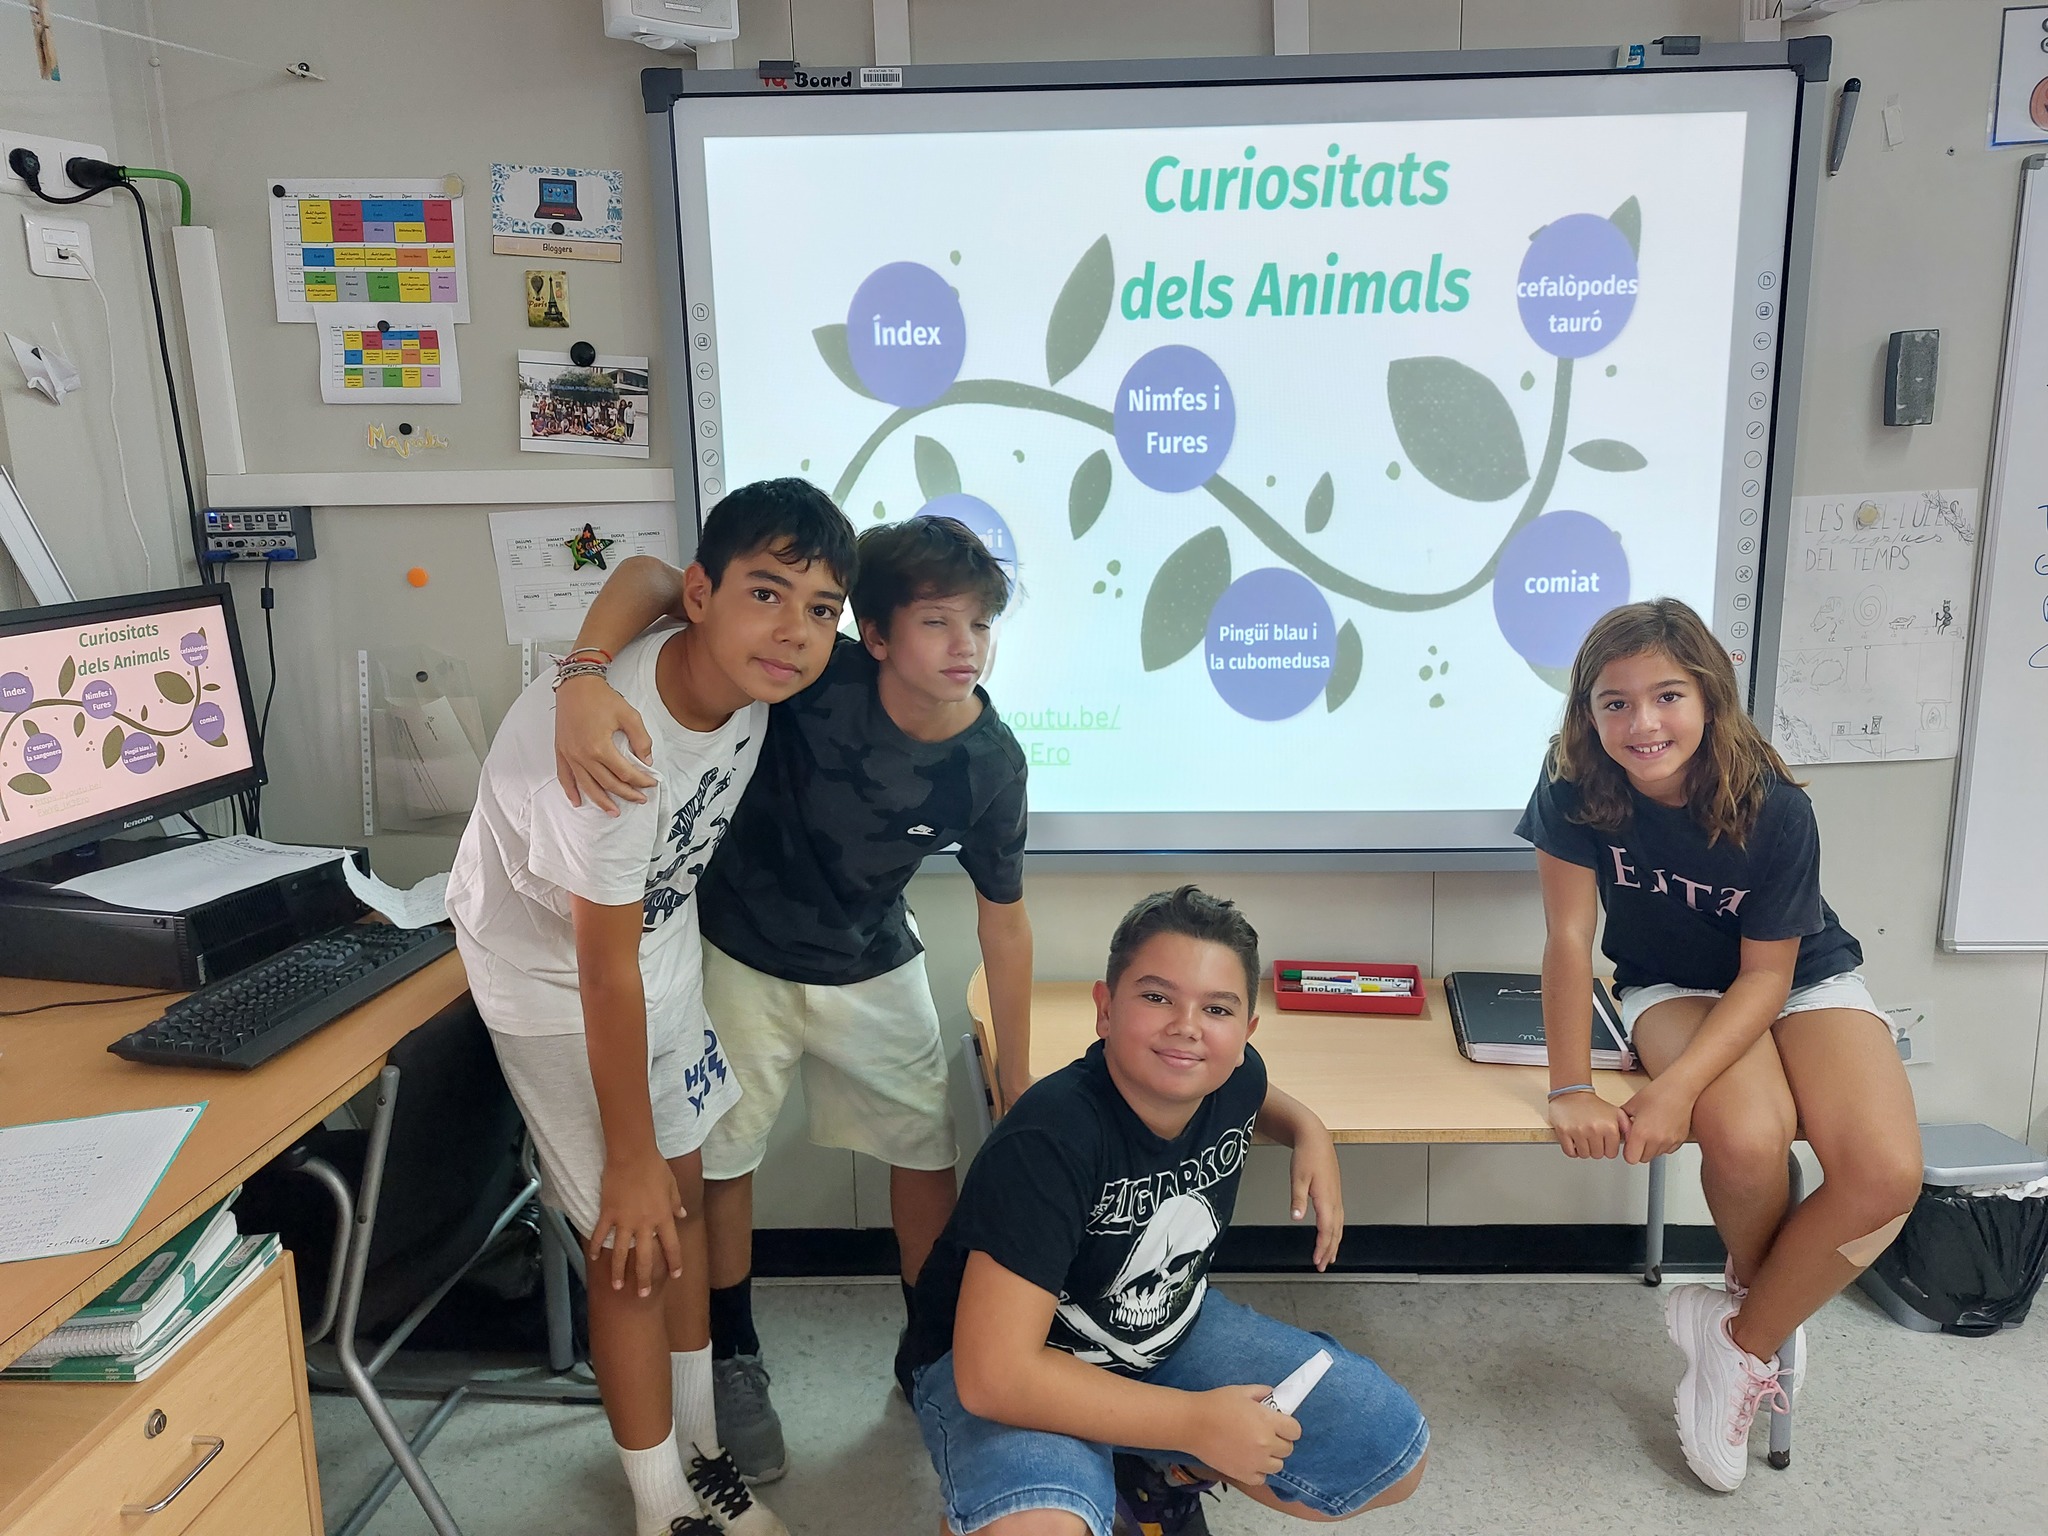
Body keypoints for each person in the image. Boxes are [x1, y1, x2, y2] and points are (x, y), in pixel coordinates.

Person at [554, 514, 1035, 1483]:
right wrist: (584, 673)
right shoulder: (812, 675)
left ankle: (928, 1352)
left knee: (926, 1150)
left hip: (874, 955)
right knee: (722, 1160)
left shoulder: (990, 761)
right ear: (877, 637)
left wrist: (1015, 1077)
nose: (965, 646)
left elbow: (1005, 921)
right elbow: (654, 579)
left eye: (980, 625)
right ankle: (733, 1355)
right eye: (938, 623)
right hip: (738, 952)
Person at [447, 478, 857, 1536]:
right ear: (704, 596)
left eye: (820, 609)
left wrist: (580, 663)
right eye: (767, 594)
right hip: (555, 979)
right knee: (631, 1240)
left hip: (653, 941)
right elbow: (598, 975)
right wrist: (624, 1158)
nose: (795, 630)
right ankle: (660, 1503)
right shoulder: (616, 752)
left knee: (684, 1200)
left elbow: (638, 573)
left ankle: (702, 1452)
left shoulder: (733, 669)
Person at [1517, 597, 1921, 1493]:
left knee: (1887, 1175)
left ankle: (1739, 1337)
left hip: (1797, 975)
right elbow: (1569, 942)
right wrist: (1570, 1085)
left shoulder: (1772, 803)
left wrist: (1670, 1092)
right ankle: (1764, 1315)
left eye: (1667, 696)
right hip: (1671, 985)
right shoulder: (1574, 787)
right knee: (1743, 1136)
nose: (1642, 723)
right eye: (1615, 702)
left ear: (1709, 696)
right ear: (1587, 711)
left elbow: (1768, 977)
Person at [898, 885, 1427, 1536]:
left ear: (1245, 1034)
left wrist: (1308, 1129)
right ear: (1105, 1009)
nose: (1187, 1027)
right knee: (1034, 1527)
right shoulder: (1048, 1142)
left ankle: (1149, 1467)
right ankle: (1113, 1459)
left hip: (1160, 1335)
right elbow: (994, 1376)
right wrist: (1194, 1423)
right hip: (1015, 1360)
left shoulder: (1234, 1076)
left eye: (1217, 1009)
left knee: (1392, 1456)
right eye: (1156, 997)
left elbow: (1255, 1088)